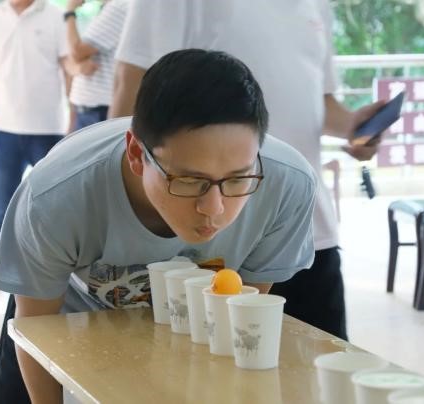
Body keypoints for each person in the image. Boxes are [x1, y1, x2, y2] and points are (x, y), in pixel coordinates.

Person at [0, 49, 317, 403]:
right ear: (136, 154)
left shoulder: (287, 186)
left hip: (191, 329)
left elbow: (236, 317)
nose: (214, 209)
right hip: (66, 317)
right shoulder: (54, 196)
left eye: (237, 179)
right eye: (189, 181)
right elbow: (36, 327)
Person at [110, 0, 384, 340]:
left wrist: (355, 127)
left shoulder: (317, 5)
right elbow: (131, 82)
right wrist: (121, 204)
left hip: (309, 227)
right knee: (205, 359)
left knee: (320, 363)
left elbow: (320, 102)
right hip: (216, 234)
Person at [0, 0, 72, 297]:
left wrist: (73, 119)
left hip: (48, 130)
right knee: (1, 206)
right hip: (6, 131)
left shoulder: (55, 16)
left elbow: (68, 71)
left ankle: (65, 274)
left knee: (58, 206)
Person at [65, 0, 129, 131]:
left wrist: (69, 12)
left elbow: (77, 51)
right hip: (91, 109)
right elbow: (71, 60)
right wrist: (78, 66)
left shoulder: (118, 7)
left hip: (98, 111)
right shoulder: (107, 9)